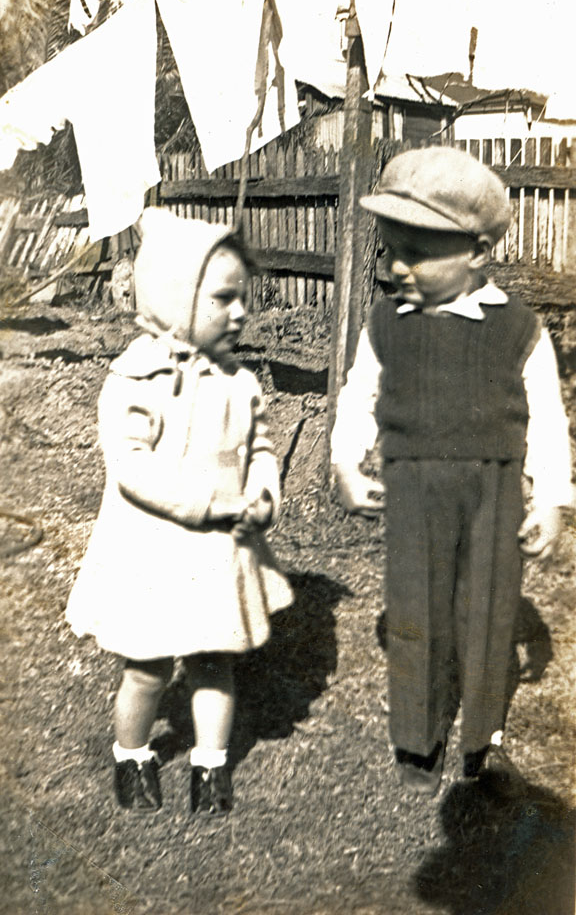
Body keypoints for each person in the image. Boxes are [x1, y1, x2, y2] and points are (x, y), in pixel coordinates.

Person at [331, 146, 573, 796]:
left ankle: (481, 737)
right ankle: (420, 730)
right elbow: (359, 395)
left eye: (417, 253)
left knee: (489, 612)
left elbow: (548, 417)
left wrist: (551, 498)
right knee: (418, 606)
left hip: (494, 489)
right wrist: (345, 463)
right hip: (413, 486)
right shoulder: (385, 324)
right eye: (390, 251)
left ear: (476, 252)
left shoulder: (519, 328)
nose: (397, 268)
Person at [66, 207, 292, 816]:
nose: (240, 313)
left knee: (213, 659)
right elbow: (133, 470)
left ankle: (211, 767)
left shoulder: (241, 382)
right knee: (147, 666)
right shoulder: (135, 380)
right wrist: (208, 503)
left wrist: (264, 495)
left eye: (243, 299)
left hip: (217, 552)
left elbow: (261, 449)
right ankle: (132, 753)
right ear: (174, 300)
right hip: (153, 549)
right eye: (223, 299)